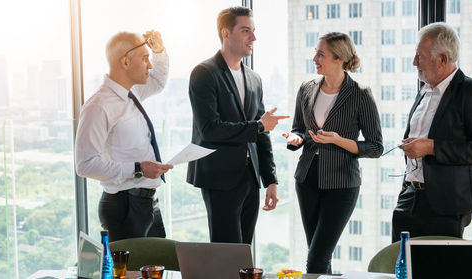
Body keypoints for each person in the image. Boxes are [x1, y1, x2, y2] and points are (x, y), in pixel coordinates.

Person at [187, 6, 288, 244]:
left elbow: (262, 134)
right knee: (226, 253)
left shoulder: (254, 78)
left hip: (250, 178)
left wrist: (271, 180)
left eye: (253, 30)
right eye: (245, 31)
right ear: (226, 33)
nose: (253, 37)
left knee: (244, 250)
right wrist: (259, 126)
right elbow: (210, 129)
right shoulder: (204, 73)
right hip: (219, 178)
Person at [283, 32, 383, 274]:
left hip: (342, 184)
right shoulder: (306, 89)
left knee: (317, 257)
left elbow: (376, 147)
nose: (314, 59)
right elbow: (299, 129)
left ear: (339, 58)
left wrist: (339, 141)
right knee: (318, 253)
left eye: (321, 54)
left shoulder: (360, 94)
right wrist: (296, 138)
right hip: (307, 179)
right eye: (315, 53)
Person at [392, 22, 472, 241]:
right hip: (409, 197)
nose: (414, 62)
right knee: (401, 260)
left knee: (438, 262)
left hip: (446, 206)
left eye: (420, 56)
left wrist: (431, 147)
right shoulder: (424, 90)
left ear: (442, 59)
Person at [75, 31, 173, 241]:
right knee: (131, 264)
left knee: (159, 262)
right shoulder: (98, 106)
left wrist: (158, 51)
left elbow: (159, 81)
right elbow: (85, 165)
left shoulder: (133, 92)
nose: (150, 65)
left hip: (148, 203)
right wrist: (138, 168)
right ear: (126, 62)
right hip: (125, 206)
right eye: (144, 58)